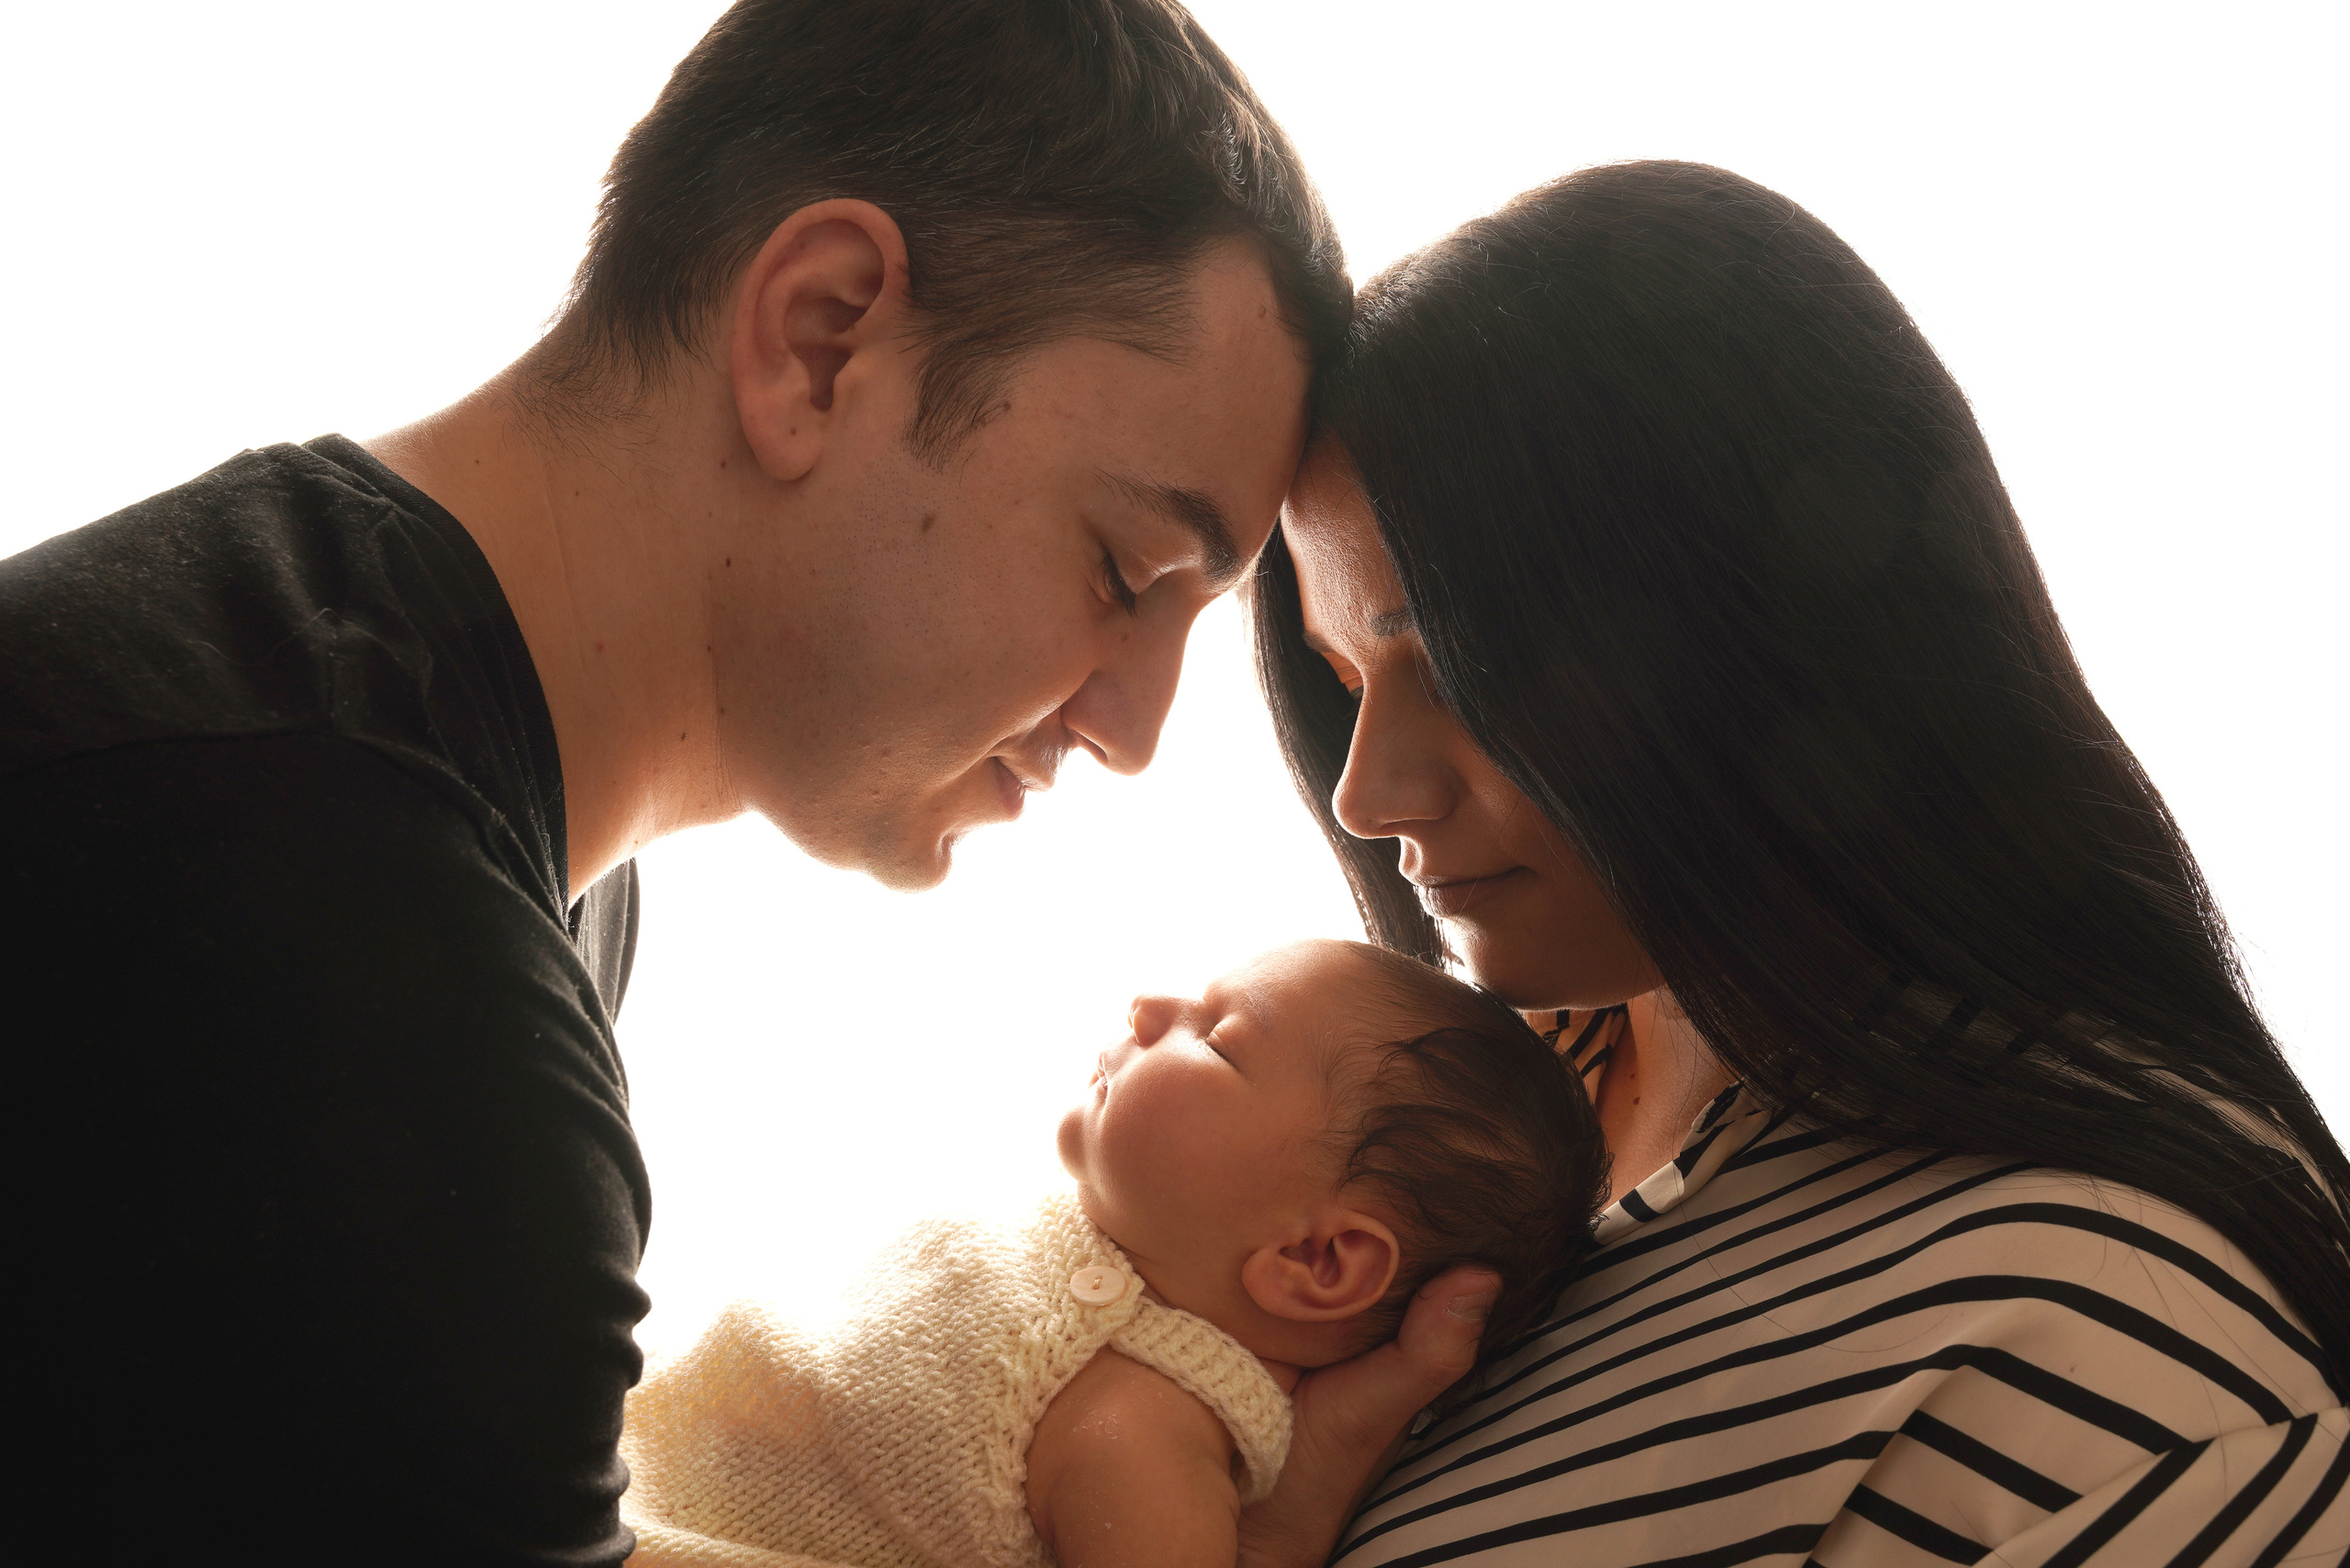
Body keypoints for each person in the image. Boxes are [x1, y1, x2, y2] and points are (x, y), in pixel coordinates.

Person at [4, 5, 1508, 1563]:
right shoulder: (336, 944)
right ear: (821, 335)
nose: (1132, 729)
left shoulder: (458, 820)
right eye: (1128, 568)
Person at [1249, 162, 2350, 1564]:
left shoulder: (2111, 1331)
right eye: (1345, 680)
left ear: (1759, 640)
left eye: (1456, 666)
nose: (1366, 792)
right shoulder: (1461, 1134)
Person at [615, 939, 1604, 1568]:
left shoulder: (1146, 1428)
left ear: (1318, 1259)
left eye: (1216, 1040)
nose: (1147, 1004)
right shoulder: (1112, 1255)